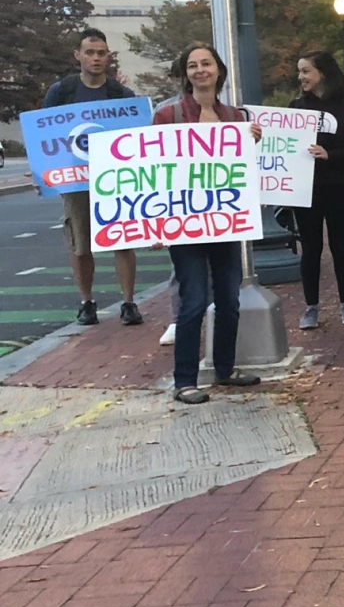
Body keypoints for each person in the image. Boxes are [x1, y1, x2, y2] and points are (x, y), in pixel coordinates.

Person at [152, 43, 261, 404]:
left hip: (225, 222)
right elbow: (153, 171)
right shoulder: (168, 115)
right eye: (193, 65)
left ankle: (225, 369)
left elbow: (243, 170)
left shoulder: (235, 116)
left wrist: (253, 142)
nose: (200, 70)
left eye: (206, 63)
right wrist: (156, 223)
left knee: (229, 299)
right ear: (185, 74)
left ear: (218, 70)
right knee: (195, 300)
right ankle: (184, 380)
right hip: (185, 225)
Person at [42, 28, 143, 327]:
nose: (96, 58)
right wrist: (41, 171)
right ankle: (87, 303)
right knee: (80, 243)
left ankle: (129, 303)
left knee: (123, 240)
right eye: (89, 52)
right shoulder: (61, 92)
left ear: (108, 56)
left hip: (116, 179)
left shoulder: (121, 95)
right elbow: (45, 135)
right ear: (78, 55)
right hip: (76, 179)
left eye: (101, 53)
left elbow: (136, 138)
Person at [288, 51, 344, 330]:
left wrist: (330, 154)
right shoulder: (295, 107)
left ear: (323, 73)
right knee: (310, 248)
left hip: (340, 186)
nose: (301, 77)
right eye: (299, 71)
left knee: (341, 245)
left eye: (306, 71)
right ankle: (311, 308)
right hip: (306, 190)